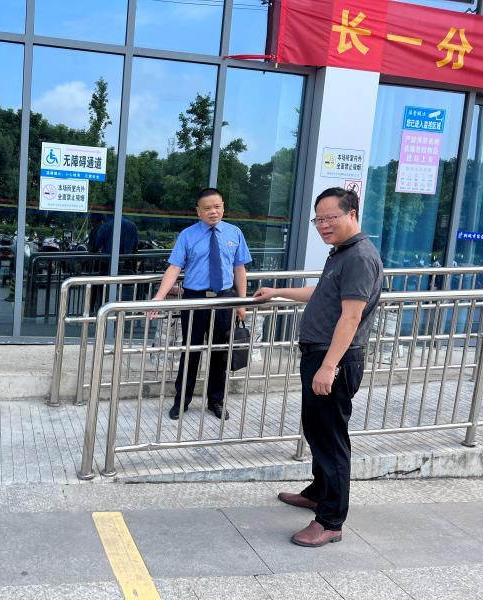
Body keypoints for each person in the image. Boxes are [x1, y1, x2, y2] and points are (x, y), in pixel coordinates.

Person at [253, 187, 382, 547]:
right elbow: (322, 293)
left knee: (330, 438)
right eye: (318, 219)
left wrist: (329, 366)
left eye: (330, 218)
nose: (323, 225)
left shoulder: (359, 257)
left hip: (334, 358)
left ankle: (330, 521)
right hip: (322, 355)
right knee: (316, 429)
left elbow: (351, 316)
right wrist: (277, 292)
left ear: (352, 214)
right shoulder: (341, 252)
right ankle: (318, 491)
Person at [150, 187, 251, 421]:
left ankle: (216, 401)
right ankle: (181, 401)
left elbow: (239, 269)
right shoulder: (187, 235)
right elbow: (174, 267)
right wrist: (159, 297)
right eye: (207, 208)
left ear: (223, 207)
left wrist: (242, 302)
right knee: (190, 351)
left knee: (220, 352)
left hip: (224, 299)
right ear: (198, 211)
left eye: (217, 207)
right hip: (195, 299)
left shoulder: (234, 233)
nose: (213, 212)